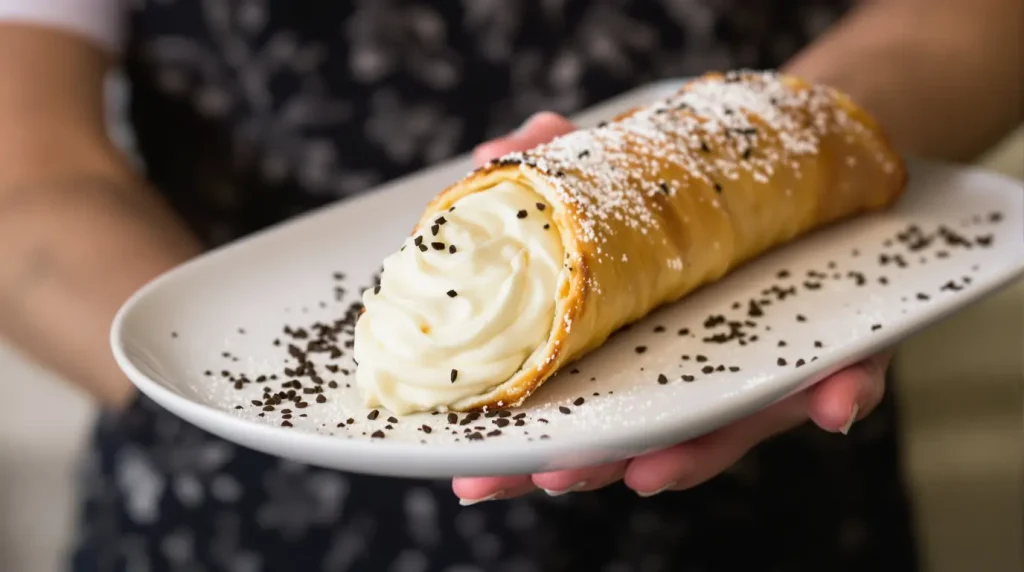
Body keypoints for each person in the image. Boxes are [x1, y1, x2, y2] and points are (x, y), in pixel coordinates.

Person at [0, 1, 1019, 571]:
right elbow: (26, 178)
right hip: (239, 507)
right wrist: (222, 392)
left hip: (768, 453)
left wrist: (788, 152)